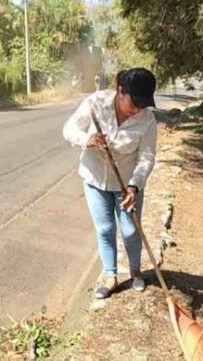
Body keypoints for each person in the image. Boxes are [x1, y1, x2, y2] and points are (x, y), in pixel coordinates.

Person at [62, 67, 158, 299]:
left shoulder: (147, 120)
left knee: (130, 230)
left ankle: (135, 272)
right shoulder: (95, 103)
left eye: (143, 104)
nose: (138, 109)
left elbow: (147, 156)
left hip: (127, 185)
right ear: (120, 89)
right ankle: (111, 276)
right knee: (105, 228)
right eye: (134, 102)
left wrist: (135, 185)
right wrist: (89, 139)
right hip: (94, 177)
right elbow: (69, 129)